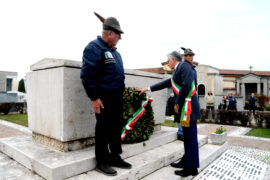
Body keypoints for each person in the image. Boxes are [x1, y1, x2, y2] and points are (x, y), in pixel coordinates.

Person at [80, 12, 131, 176]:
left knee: (116, 128)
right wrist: (94, 98)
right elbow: (87, 75)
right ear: (109, 33)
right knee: (102, 129)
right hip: (103, 99)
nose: (120, 38)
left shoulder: (115, 52)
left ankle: (115, 156)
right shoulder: (94, 48)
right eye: (118, 34)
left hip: (117, 99)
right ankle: (101, 161)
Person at [137, 48, 200, 177]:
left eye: (168, 60)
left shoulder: (183, 66)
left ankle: (192, 168)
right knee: (187, 137)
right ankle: (186, 161)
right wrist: (147, 89)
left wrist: (177, 102)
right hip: (185, 108)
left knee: (191, 138)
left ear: (173, 59)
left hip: (189, 108)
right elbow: (166, 83)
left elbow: (187, 85)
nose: (167, 63)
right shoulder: (179, 69)